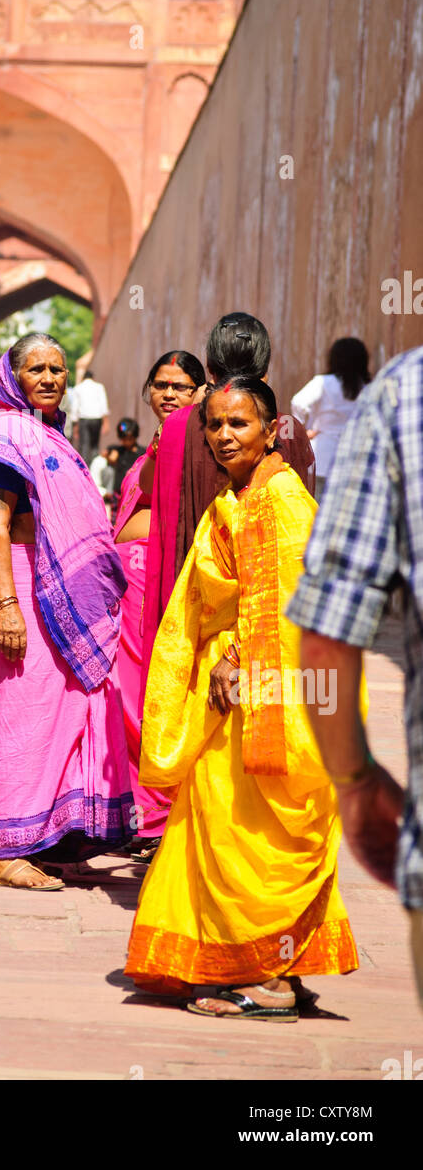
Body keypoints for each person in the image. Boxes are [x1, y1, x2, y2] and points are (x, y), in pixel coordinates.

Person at [125, 377, 359, 1017]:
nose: (224, 436)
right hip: (231, 691)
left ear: (271, 427)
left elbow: (291, 605)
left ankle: (272, 977)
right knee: (218, 822)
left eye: (239, 424)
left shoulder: (280, 500)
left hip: (264, 692)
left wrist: (235, 659)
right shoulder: (243, 494)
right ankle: (264, 964)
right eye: (216, 425)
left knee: (252, 831)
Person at [0, 333, 133, 890]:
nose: (49, 378)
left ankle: (46, 837)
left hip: (57, 590)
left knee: (66, 708)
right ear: (12, 377)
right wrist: (7, 607)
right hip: (22, 586)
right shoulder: (5, 436)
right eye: (36, 369)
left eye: (57, 368)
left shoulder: (48, 435)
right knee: (17, 710)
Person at [286, 346, 421, 1006]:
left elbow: (328, 635)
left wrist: (354, 781)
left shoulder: (404, 393)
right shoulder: (381, 391)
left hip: (342, 489)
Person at [139, 314, 315, 739]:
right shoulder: (288, 430)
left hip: (202, 620)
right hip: (266, 623)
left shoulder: (179, 425)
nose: (224, 436)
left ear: (209, 370)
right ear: (267, 371)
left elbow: (166, 532)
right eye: (219, 426)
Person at [113, 351, 205, 856]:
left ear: (200, 391)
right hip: (131, 591)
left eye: (182, 386)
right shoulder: (157, 442)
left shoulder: (203, 443)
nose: (169, 394)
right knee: (129, 699)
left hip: (163, 586)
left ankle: (163, 815)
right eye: (161, 384)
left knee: (157, 696)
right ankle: (142, 811)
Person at [291, 337, 370, 499]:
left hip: (322, 456)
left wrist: (303, 429)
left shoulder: (324, 382)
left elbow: (297, 402)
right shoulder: (368, 387)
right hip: (355, 460)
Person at [71, 369, 109, 467]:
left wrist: (75, 427)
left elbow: (75, 407)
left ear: (83, 378)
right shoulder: (99, 387)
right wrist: (106, 423)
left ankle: (84, 469)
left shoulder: (78, 388)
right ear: (93, 378)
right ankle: (94, 468)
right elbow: (103, 404)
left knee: (84, 445)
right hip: (97, 418)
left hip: (84, 418)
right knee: (95, 445)